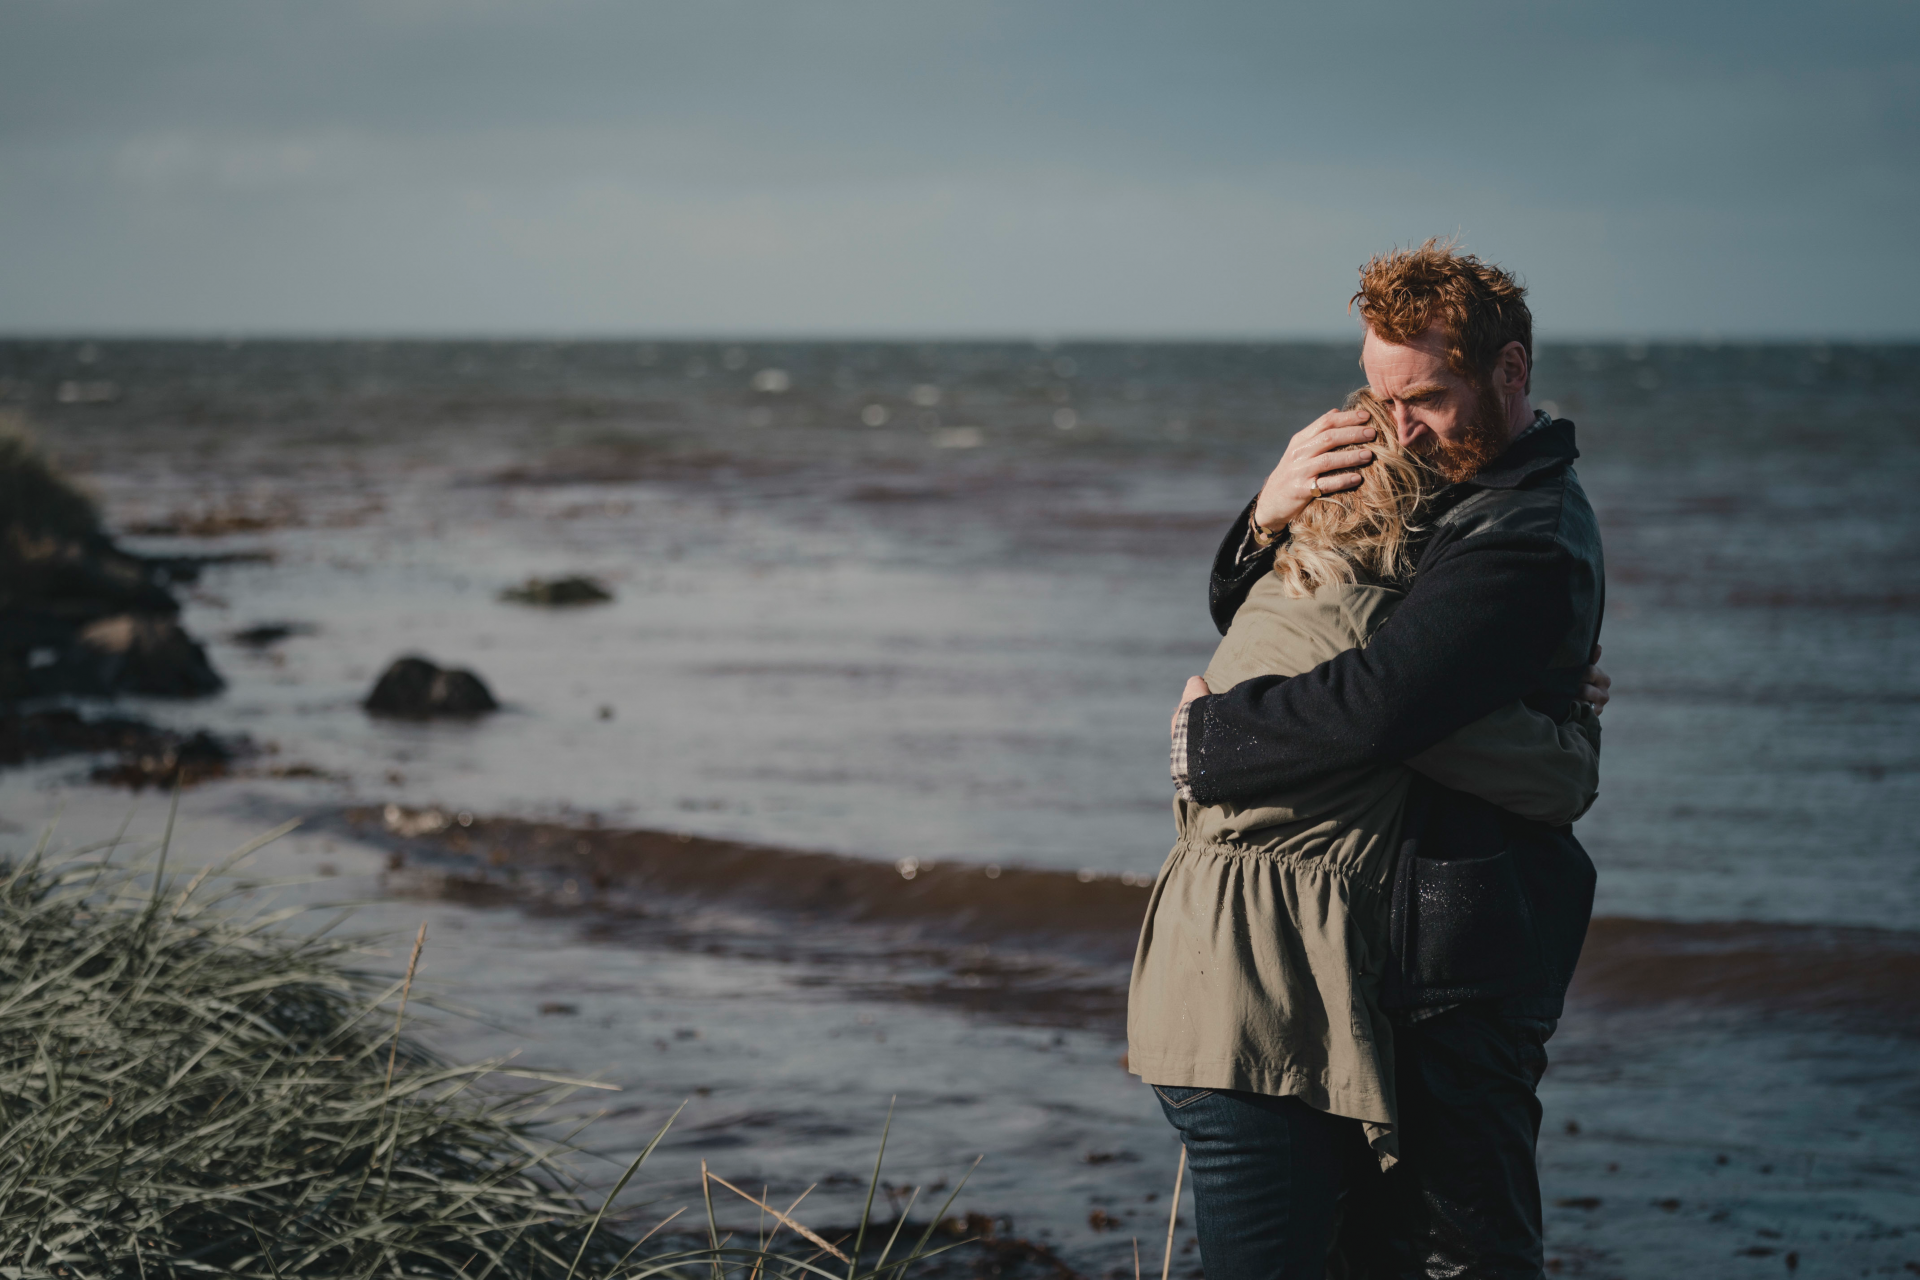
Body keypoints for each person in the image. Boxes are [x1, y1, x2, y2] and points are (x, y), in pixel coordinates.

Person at [1165, 241, 1609, 1279]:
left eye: (1426, 397)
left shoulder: (1525, 533)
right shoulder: (1430, 460)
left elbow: (1378, 703)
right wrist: (1265, 516)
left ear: (1512, 370)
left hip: (1468, 959)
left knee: (1465, 1254)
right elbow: (1286, 614)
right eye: (1377, 396)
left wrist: (1210, 741)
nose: (1394, 429)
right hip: (1379, 950)